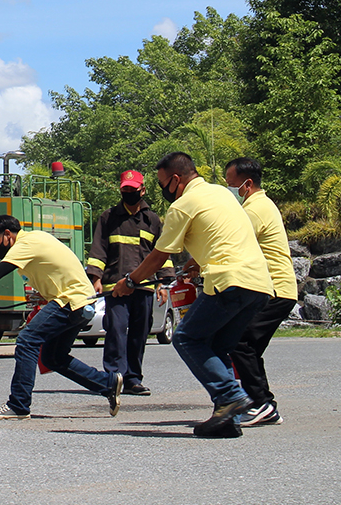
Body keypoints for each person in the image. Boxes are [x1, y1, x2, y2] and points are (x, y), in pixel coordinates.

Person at [113, 152, 274, 438]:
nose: (163, 189)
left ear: (175, 179)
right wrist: (197, 263)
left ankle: (230, 395)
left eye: (163, 182)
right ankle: (226, 419)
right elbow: (226, 236)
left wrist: (129, 281)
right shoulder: (222, 194)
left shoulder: (184, 205)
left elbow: (159, 254)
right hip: (260, 283)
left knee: (187, 338)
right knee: (216, 345)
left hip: (229, 281)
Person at [0, 215, 122, 420]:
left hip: (71, 300)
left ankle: (18, 405)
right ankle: (108, 384)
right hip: (79, 301)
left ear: (7, 234)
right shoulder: (33, 241)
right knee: (54, 358)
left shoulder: (25, 242)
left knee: (27, 341)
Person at [87, 170, 174, 396]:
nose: (128, 193)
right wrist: (96, 278)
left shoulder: (152, 220)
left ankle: (133, 379)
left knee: (139, 333)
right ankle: (113, 377)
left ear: (142, 190)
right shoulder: (108, 217)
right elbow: (99, 249)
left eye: (132, 190)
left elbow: (162, 253)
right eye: (124, 190)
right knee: (115, 330)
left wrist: (163, 284)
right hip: (115, 286)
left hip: (144, 287)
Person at [224, 157, 297, 426]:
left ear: (248, 184)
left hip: (275, 288)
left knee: (240, 342)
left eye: (232, 184)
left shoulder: (255, 210)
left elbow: (233, 243)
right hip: (276, 289)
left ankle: (260, 404)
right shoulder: (260, 205)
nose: (230, 188)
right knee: (249, 347)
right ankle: (262, 404)